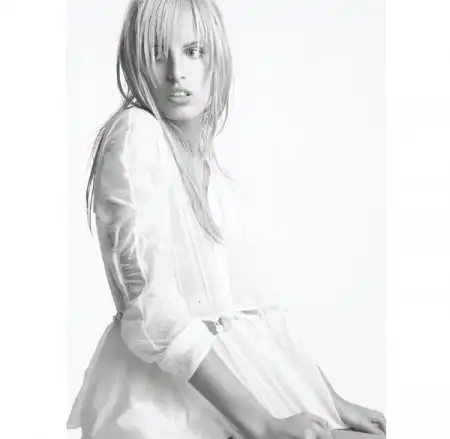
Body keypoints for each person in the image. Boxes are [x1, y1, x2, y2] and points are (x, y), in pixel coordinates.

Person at [67, 1, 386, 438]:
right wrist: (262, 424)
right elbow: (155, 313)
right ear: (135, 59)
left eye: (193, 51)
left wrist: (328, 400)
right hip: (165, 401)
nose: (176, 72)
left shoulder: (208, 169)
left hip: (237, 383)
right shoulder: (136, 137)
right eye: (158, 52)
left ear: (215, 59)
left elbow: (256, 310)